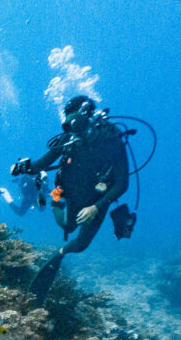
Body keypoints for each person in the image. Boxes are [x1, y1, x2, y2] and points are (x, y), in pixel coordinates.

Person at [11, 95, 130, 304]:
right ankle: (54, 200)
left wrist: (96, 207)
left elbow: (122, 183)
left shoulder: (110, 137)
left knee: (81, 244)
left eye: (76, 122)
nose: (73, 128)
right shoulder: (68, 138)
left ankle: (61, 252)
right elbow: (40, 164)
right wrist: (22, 167)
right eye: (68, 123)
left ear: (88, 116)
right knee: (67, 225)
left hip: (98, 199)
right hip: (70, 191)